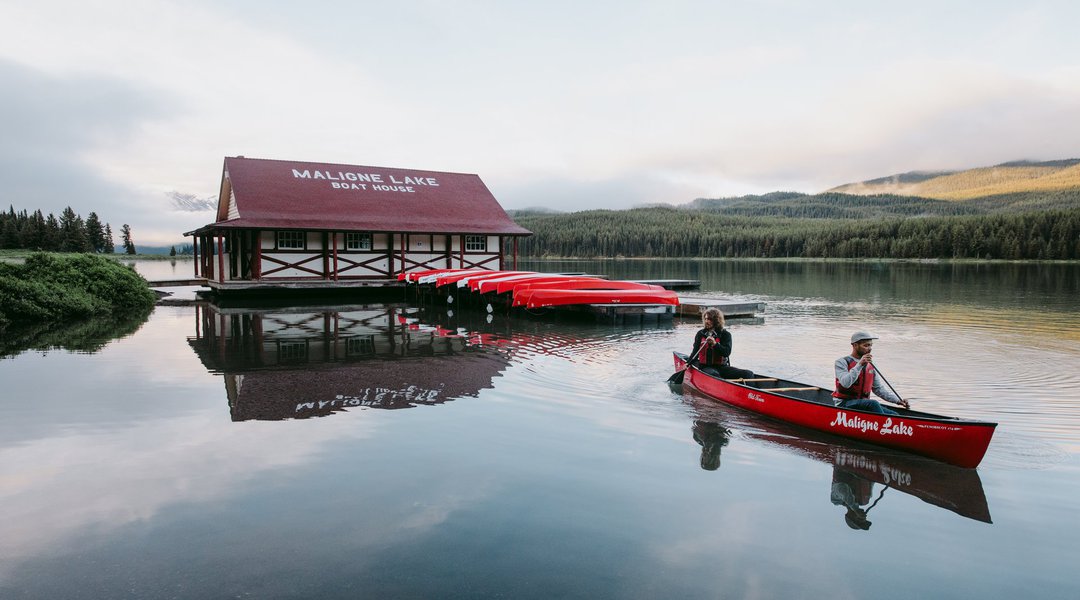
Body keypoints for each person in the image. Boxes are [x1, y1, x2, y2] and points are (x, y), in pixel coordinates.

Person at [833, 331, 909, 415]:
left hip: (863, 404)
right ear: (855, 345)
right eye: (866, 345)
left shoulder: (870, 365)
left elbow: (878, 389)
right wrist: (860, 364)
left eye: (870, 345)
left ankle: (888, 424)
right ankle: (883, 423)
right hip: (844, 404)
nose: (869, 348)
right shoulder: (841, 362)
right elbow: (845, 383)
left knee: (895, 415)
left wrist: (897, 401)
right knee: (873, 403)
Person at [689, 308, 755, 379]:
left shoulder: (725, 334)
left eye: (709, 319)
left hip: (722, 367)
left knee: (748, 374)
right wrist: (688, 363)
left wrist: (715, 344)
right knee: (714, 374)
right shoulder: (700, 334)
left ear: (716, 320)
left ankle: (751, 389)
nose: (706, 321)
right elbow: (695, 352)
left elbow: (726, 353)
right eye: (705, 319)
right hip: (705, 367)